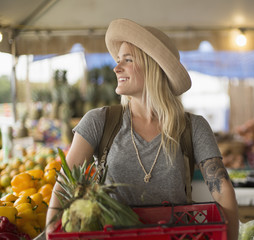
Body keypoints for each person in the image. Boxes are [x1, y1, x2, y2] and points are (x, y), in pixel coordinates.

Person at [45, 18, 239, 240]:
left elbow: (223, 191)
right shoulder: (99, 121)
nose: (116, 68)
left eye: (127, 60)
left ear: (153, 66)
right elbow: (65, 183)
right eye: (118, 60)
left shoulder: (193, 127)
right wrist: (51, 230)